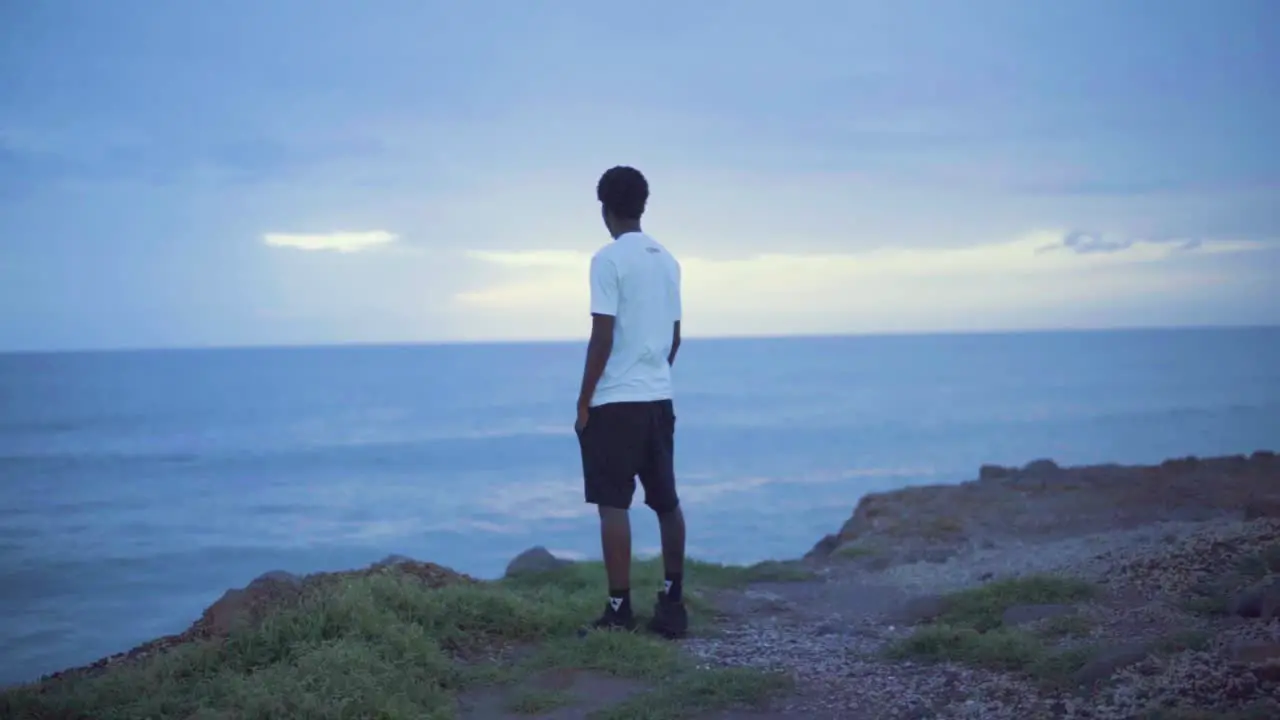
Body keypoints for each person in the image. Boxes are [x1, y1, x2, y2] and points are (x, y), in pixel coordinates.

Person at [574, 165, 687, 638]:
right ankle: (673, 604)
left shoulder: (608, 259)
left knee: (613, 506)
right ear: (642, 204)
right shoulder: (668, 260)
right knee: (666, 502)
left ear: (606, 209)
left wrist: (584, 402)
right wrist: (653, 376)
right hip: (658, 398)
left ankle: (619, 611)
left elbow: (602, 337)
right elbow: (675, 338)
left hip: (615, 403)